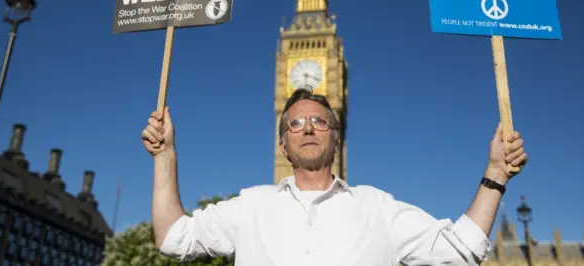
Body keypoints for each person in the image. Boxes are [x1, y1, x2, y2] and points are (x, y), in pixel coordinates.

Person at [141, 87, 527, 266]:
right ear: (282, 146)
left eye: (319, 121)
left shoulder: (377, 208)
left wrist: (495, 175)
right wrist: (165, 156)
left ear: (337, 140)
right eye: (295, 124)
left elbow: (461, 251)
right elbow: (174, 237)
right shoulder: (251, 206)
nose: (308, 129)